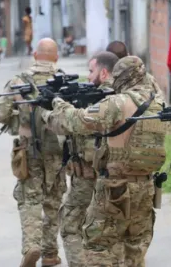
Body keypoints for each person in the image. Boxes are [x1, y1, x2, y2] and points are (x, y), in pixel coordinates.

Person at [40, 56, 168, 266]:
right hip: (146, 188)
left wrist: (56, 101)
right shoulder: (158, 103)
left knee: (99, 248)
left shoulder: (117, 103)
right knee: (134, 250)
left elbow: (76, 121)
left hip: (115, 188)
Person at [0, 38, 66, 267]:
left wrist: (19, 111)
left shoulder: (19, 81)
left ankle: (31, 245)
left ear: (35, 55)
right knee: (53, 201)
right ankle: (50, 253)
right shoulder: (64, 81)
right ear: (56, 57)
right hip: (56, 151)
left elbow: (1, 114)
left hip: (27, 151)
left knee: (29, 200)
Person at [58, 51, 118, 266]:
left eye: (91, 71)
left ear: (103, 72)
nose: (88, 76)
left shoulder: (97, 100)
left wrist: (56, 107)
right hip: (118, 175)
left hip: (87, 175)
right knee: (111, 229)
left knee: (71, 225)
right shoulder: (126, 96)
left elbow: (73, 124)